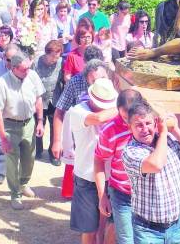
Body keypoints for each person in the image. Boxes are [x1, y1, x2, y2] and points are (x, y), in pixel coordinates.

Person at [122, 102, 180, 244]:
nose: (145, 129)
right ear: (130, 127)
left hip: (177, 225)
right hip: (148, 229)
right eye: (138, 125)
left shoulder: (168, 141)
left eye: (148, 123)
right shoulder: (130, 151)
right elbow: (157, 164)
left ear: (155, 123)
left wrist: (176, 129)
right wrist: (163, 132)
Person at [0, 51, 46, 210]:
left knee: (30, 158)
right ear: (13, 68)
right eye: (23, 69)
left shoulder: (32, 76)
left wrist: (40, 121)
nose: (27, 71)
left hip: (29, 123)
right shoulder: (2, 83)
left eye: (28, 67)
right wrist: (3, 138)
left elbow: (39, 99)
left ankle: (24, 183)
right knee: (12, 162)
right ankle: (15, 194)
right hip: (10, 125)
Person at [67, 78, 120, 244]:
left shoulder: (113, 110)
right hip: (87, 176)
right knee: (89, 229)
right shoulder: (77, 111)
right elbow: (98, 118)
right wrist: (123, 106)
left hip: (110, 176)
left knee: (104, 225)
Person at [52, 53, 107, 198]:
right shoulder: (75, 82)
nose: (98, 82)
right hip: (80, 134)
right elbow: (60, 111)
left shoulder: (110, 82)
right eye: (93, 79)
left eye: (102, 78)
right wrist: (57, 141)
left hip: (104, 139)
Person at [94, 89, 143, 244]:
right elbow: (99, 161)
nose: (128, 121)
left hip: (146, 193)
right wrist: (102, 196)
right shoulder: (110, 130)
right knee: (123, 237)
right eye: (124, 116)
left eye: (132, 116)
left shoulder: (149, 123)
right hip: (122, 193)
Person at [32, 40, 64, 165]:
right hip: (39, 98)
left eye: (57, 57)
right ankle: (38, 149)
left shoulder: (61, 63)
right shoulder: (36, 63)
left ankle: (53, 153)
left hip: (55, 98)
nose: (55, 60)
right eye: (53, 57)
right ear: (46, 53)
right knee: (38, 123)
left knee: (54, 126)